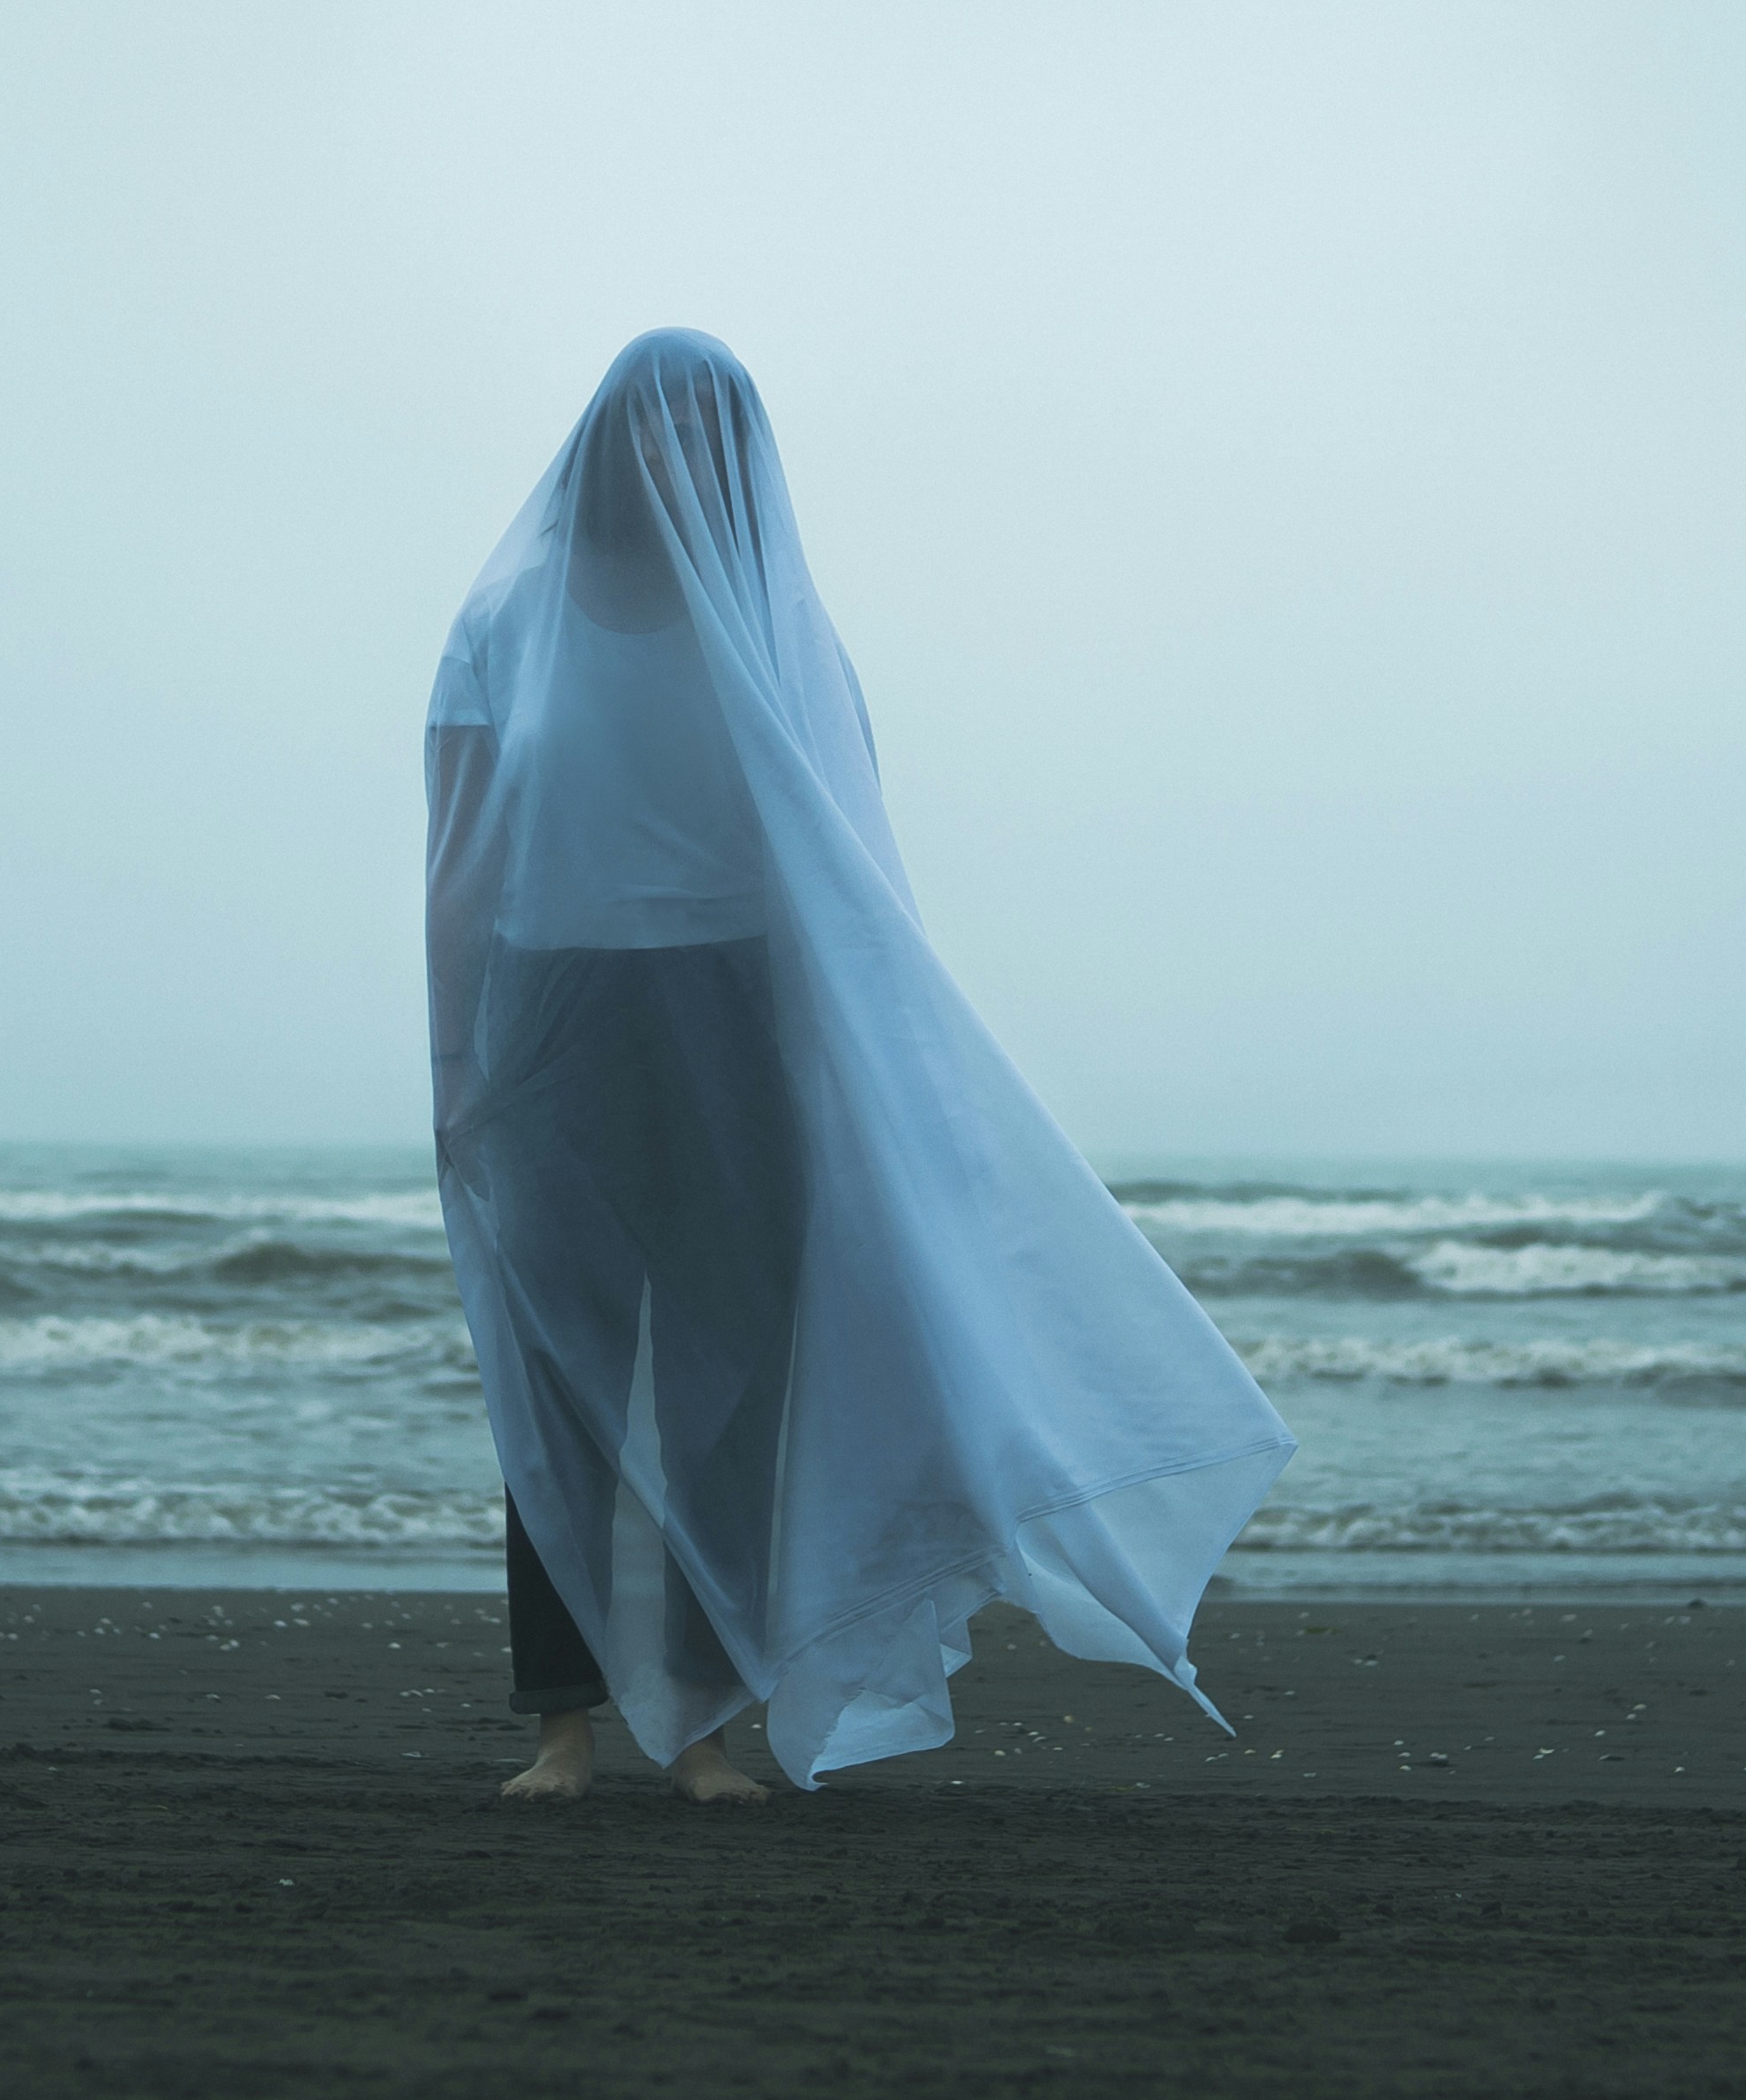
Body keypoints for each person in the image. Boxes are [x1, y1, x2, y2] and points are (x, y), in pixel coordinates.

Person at [422, 328, 1293, 1799]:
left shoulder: (775, 627)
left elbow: (845, 873)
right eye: (653, 426)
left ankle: (702, 1726)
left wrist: (868, 1077)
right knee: (562, 1379)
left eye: (708, 430)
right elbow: (461, 864)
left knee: (729, 1395)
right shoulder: (504, 619)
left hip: (741, 1017)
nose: (675, 455)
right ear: (605, 438)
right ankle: (563, 1724)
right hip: (558, 1021)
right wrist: (460, 1059)